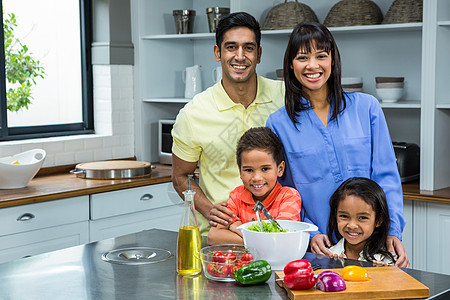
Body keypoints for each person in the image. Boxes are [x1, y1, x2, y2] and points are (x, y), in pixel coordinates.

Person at [265, 22, 410, 267]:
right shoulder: (278, 123)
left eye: (321, 56)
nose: (313, 66)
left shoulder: (367, 108)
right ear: (291, 64)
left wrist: (393, 230)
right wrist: (307, 233)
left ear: (333, 59)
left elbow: (386, 176)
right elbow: (283, 192)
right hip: (317, 250)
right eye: (302, 58)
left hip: (373, 246)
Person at [171, 12, 284, 236]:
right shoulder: (194, 114)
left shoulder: (285, 98)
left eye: (248, 48)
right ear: (217, 52)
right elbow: (180, 177)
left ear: (259, 54)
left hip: (277, 232)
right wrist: (209, 209)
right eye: (231, 47)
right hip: (220, 238)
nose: (240, 56)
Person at [207, 127, 302, 245]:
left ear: (280, 169)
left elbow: (278, 240)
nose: (257, 177)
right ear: (240, 172)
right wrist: (259, 241)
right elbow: (213, 236)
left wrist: (236, 226)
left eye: (265, 169)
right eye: (248, 170)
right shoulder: (237, 195)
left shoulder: (288, 196)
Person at [327, 177, 397, 265]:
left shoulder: (386, 259)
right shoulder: (328, 256)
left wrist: (381, 275)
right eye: (344, 216)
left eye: (362, 218)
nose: (352, 225)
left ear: (378, 220)